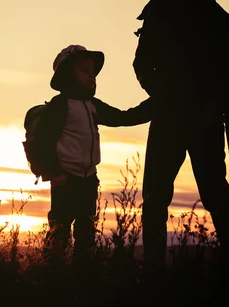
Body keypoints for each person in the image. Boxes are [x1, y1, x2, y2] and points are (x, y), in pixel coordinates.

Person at [131, 0, 229, 289]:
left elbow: (144, 62)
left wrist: (161, 92)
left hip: (178, 114)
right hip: (204, 115)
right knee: (215, 192)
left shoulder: (169, 6)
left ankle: (154, 277)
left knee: (156, 197)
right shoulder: (202, 1)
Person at [34, 44, 152, 267]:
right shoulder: (59, 106)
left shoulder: (92, 106)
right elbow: (44, 142)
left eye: (93, 72)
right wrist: (55, 173)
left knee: (86, 230)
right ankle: (51, 274)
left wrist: (153, 106)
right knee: (60, 227)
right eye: (84, 71)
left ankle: (82, 273)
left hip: (89, 179)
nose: (92, 76)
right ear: (69, 74)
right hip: (65, 179)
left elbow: (122, 117)